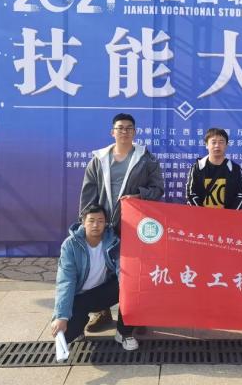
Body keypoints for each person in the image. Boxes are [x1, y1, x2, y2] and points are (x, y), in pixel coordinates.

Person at [79, 113, 164, 332]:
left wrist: (138, 196)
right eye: (120, 128)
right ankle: (102, 312)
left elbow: (158, 189)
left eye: (128, 128)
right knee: (101, 269)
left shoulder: (146, 159)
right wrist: (86, 222)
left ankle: (136, 315)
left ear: (135, 132)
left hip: (134, 225)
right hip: (103, 224)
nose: (124, 131)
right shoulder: (98, 160)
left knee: (136, 270)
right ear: (112, 132)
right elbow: (88, 193)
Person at [51, 205, 138, 350]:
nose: (96, 225)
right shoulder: (70, 245)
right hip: (79, 298)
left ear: (106, 223)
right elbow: (65, 282)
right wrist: (61, 317)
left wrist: (130, 296)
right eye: (91, 221)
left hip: (102, 292)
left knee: (130, 284)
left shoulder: (113, 241)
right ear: (83, 222)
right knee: (65, 335)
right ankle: (79, 327)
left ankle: (123, 333)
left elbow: (122, 270)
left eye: (100, 221)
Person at [186, 128, 242, 209]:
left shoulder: (235, 169)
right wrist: (202, 213)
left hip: (228, 216)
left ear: (226, 145)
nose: (217, 145)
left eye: (221, 142)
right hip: (201, 215)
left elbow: (241, 195)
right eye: (213, 142)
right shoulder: (197, 168)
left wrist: (230, 214)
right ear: (206, 145)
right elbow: (191, 194)